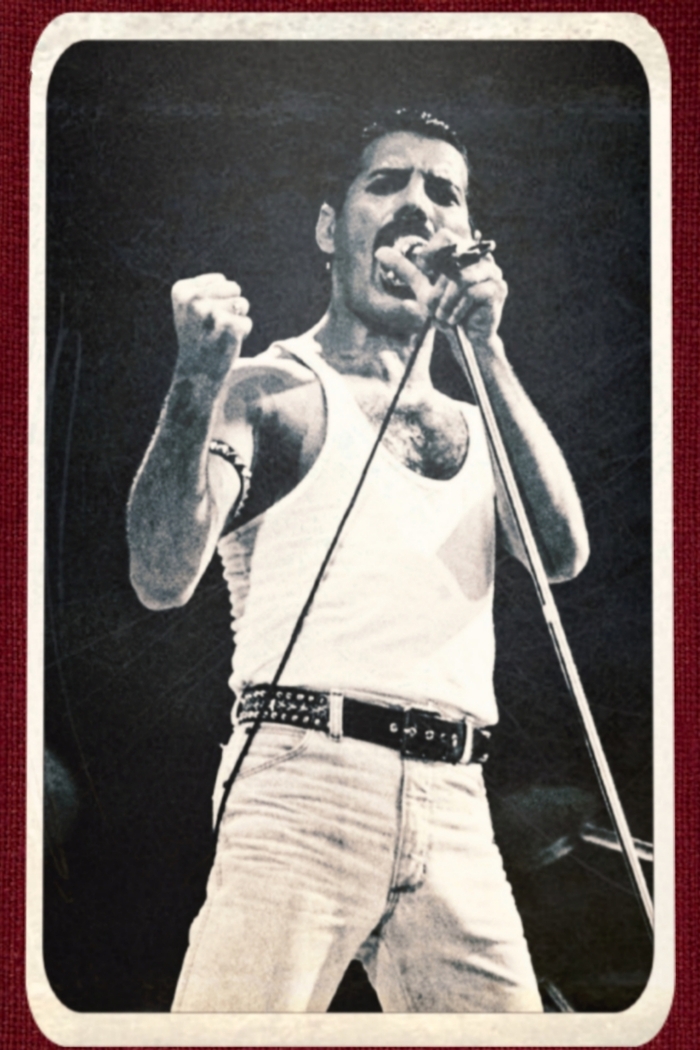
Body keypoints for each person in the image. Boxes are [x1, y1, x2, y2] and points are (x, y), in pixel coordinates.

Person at [127, 109, 589, 1013]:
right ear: (330, 228)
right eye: (388, 183)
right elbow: (160, 576)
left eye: (444, 192)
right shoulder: (271, 389)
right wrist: (193, 380)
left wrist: (485, 347)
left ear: (468, 240)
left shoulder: (478, 419)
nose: (419, 205)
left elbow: (562, 552)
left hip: (457, 804)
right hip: (304, 784)